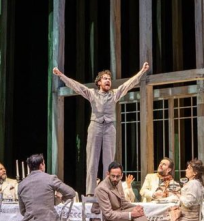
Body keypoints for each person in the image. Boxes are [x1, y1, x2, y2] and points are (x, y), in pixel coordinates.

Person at [52, 62, 150, 194]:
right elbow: (77, 86)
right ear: (99, 82)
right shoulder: (92, 93)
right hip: (95, 126)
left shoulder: (114, 94)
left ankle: (108, 190)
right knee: (92, 160)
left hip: (109, 127)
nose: (108, 81)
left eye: (109, 79)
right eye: (105, 78)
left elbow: (129, 84)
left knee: (109, 161)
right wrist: (61, 75)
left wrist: (142, 71)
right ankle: (91, 192)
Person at [17, 152, 77, 221]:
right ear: (41, 165)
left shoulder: (21, 184)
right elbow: (71, 193)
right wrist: (62, 198)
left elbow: (22, 210)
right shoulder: (50, 179)